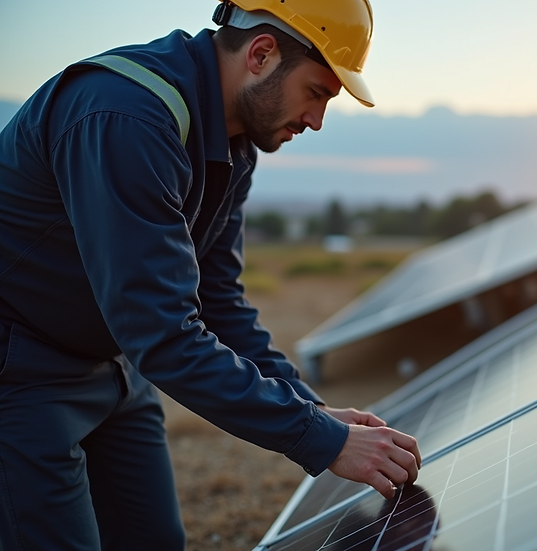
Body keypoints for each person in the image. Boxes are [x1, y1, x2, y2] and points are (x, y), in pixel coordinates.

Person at [0, 1, 422, 549]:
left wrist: (311, 408)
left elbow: (216, 300)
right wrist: (322, 440)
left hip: (118, 366)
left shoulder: (233, 142)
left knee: (154, 540)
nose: (317, 119)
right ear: (262, 54)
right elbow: (163, 332)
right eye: (317, 92)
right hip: (22, 371)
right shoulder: (127, 117)